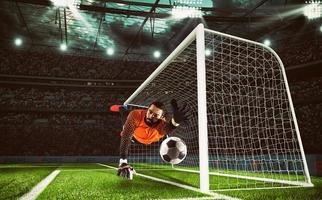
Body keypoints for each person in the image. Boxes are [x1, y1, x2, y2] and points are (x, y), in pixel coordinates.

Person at [116, 99, 189, 180]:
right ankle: (122, 109)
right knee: (125, 120)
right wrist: (123, 161)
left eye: (155, 115)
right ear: (147, 110)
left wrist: (175, 122)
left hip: (150, 142)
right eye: (150, 111)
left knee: (127, 122)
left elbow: (168, 128)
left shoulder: (162, 125)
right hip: (134, 137)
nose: (151, 116)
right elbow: (126, 136)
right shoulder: (136, 114)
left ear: (161, 117)